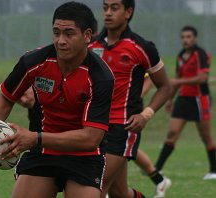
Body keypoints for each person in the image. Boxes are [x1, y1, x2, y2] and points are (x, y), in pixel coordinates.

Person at [0, 2, 114, 198]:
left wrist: (34, 138)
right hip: (43, 152)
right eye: (56, 32)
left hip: (85, 157)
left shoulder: (101, 77)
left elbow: (91, 138)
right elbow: (6, 97)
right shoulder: (33, 62)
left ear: (87, 35)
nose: (60, 40)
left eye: (69, 34)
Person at [89, 0, 171, 197]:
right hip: (92, 126)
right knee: (119, 193)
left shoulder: (142, 47)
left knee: (94, 188)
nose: (108, 13)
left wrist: (146, 115)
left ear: (128, 12)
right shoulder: (91, 45)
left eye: (114, 8)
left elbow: (165, 86)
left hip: (122, 127)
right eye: (105, 7)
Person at [155, 26, 216, 180]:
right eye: (183, 37)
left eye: (189, 37)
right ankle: (157, 169)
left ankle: (214, 171)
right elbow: (176, 80)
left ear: (195, 38)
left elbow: (202, 78)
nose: (185, 40)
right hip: (183, 99)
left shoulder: (201, 54)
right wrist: (170, 99)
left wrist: (179, 81)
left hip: (199, 99)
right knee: (172, 133)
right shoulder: (181, 55)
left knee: (206, 137)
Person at [134, 74, 171, 198]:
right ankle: (159, 180)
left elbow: (149, 76)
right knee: (124, 147)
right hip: (108, 104)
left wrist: (135, 97)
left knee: (124, 146)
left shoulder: (142, 54)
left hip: (127, 108)